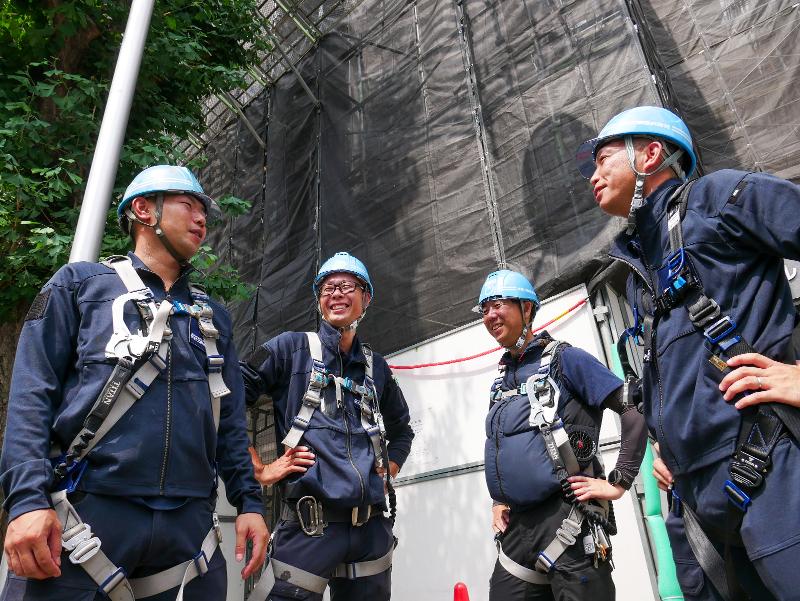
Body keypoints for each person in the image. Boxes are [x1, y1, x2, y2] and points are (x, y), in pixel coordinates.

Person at [0, 165, 268, 601]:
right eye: (188, 205)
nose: (202, 219)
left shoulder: (212, 318)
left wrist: (250, 505)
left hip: (189, 531)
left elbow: (231, 423)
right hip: (85, 516)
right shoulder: (79, 287)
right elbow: (32, 397)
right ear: (144, 210)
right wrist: (27, 501)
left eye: (205, 211)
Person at [577, 105, 800, 600]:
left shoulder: (719, 199)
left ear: (651, 154)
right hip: (695, 503)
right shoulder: (637, 268)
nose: (593, 176)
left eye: (604, 159)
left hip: (772, 473)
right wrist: (661, 441)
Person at [240, 252, 414, 601]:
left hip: (371, 532)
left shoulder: (375, 368)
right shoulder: (290, 349)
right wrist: (255, 468)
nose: (336, 293)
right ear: (319, 299)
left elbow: (402, 428)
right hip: (309, 527)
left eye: (347, 286)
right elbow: (228, 394)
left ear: (366, 298)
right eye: (327, 287)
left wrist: (388, 468)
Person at [477, 269, 647, 600]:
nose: (490, 315)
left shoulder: (564, 359)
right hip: (518, 529)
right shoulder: (501, 382)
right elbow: (506, 446)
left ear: (526, 309)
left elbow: (633, 408)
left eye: (497, 304)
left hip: (568, 518)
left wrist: (619, 482)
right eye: (484, 309)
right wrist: (500, 501)